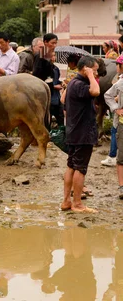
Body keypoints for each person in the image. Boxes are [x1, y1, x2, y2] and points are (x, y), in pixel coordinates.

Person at [61, 56, 99, 213]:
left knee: (71, 165)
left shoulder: (72, 83)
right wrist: (90, 75)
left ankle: (66, 202)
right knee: (80, 168)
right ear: (86, 69)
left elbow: (63, 99)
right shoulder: (81, 84)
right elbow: (96, 91)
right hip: (83, 133)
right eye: (95, 70)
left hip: (73, 131)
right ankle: (77, 204)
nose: (96, 74)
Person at [103, 55, 123, 170]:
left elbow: (107, 95)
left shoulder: (120, 82)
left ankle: (112, 156)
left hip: (120, 119)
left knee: (115, 132)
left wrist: (116, 108)